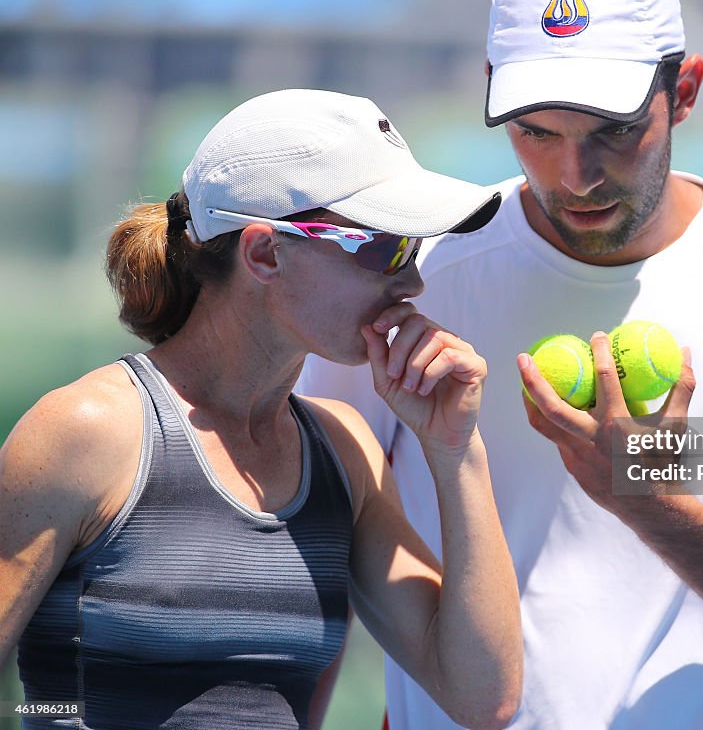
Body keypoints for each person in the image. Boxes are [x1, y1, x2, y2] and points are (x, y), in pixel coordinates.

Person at [300, 0, 703, 729]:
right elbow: (311, 557)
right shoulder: (408, 278)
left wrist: (655, 504)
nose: (573, 176)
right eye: (537, 132)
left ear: (685, 90)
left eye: (614, 131)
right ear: (491, 92)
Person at [0, 89, 522, 729]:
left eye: (414, 250)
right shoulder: (88, 432)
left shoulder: (344, 452)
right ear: (265, 253)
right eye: (384, 246)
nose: (412, 281)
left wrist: (457, 452)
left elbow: (484, 696)